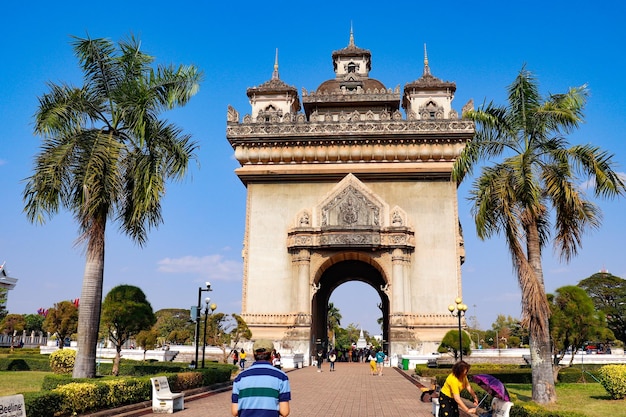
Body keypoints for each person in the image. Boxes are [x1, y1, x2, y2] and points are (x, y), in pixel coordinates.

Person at [231, 339, 291, 417]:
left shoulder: (240, 377)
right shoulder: (281, 377)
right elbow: (284, 411)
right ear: (272, 354)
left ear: (253, 354)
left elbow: (234, 411)